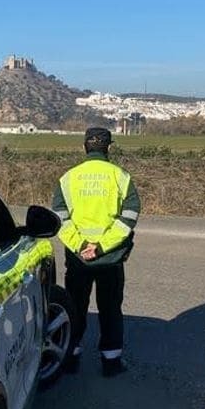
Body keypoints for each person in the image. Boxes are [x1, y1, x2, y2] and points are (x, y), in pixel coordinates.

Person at [52, 127, 141, 377]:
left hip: (78, 258)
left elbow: (59, 217)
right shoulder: (120, 176)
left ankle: (71, 357)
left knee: (75, 306)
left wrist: (81, 246)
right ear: (109, 148)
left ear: (84, 147)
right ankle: (111, 362)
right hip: (110, 258)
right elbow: (130, 216)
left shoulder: (69, 178)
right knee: (110, 308)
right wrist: (102, 246)